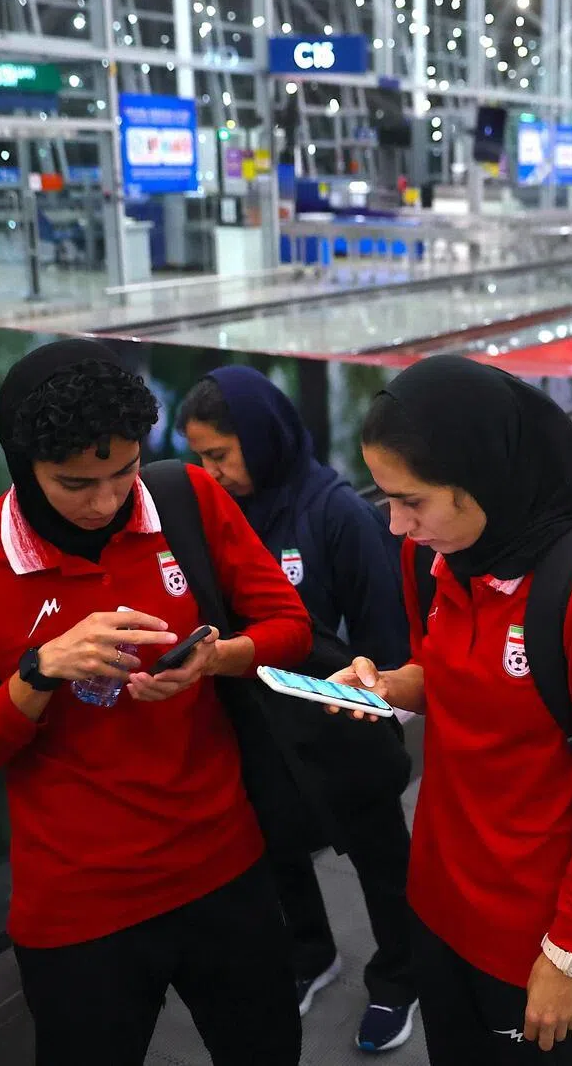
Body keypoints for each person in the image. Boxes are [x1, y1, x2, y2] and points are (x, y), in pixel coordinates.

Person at [0, 339, 312, 1065]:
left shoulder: (187, 498)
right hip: (79, 906)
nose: (105, 501)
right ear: (22, 465)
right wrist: (37, 676)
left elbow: (290, 628)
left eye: (124, 472)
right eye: (75, 483)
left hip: (223, 864)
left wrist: (214, 659)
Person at [333, 356, 572, 1065]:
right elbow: (438, 673)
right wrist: (386, 686)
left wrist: (567, 954)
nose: (395, 526)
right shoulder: (441, 562)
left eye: (412, 501)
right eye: (387, 499)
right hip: (442, 908)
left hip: (536, 934)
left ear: (481, 478)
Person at [177, 367, 418, 1053]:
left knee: (381, 859)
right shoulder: (214, 516)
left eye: (220, 455)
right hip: (257, 724)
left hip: (342, 722)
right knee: (276, 851)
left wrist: (371, 709)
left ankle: (399, 977)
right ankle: (311, 952)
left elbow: (385, 633)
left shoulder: (334, 511)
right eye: (199, 457)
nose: (210, 472)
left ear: (261, 436)